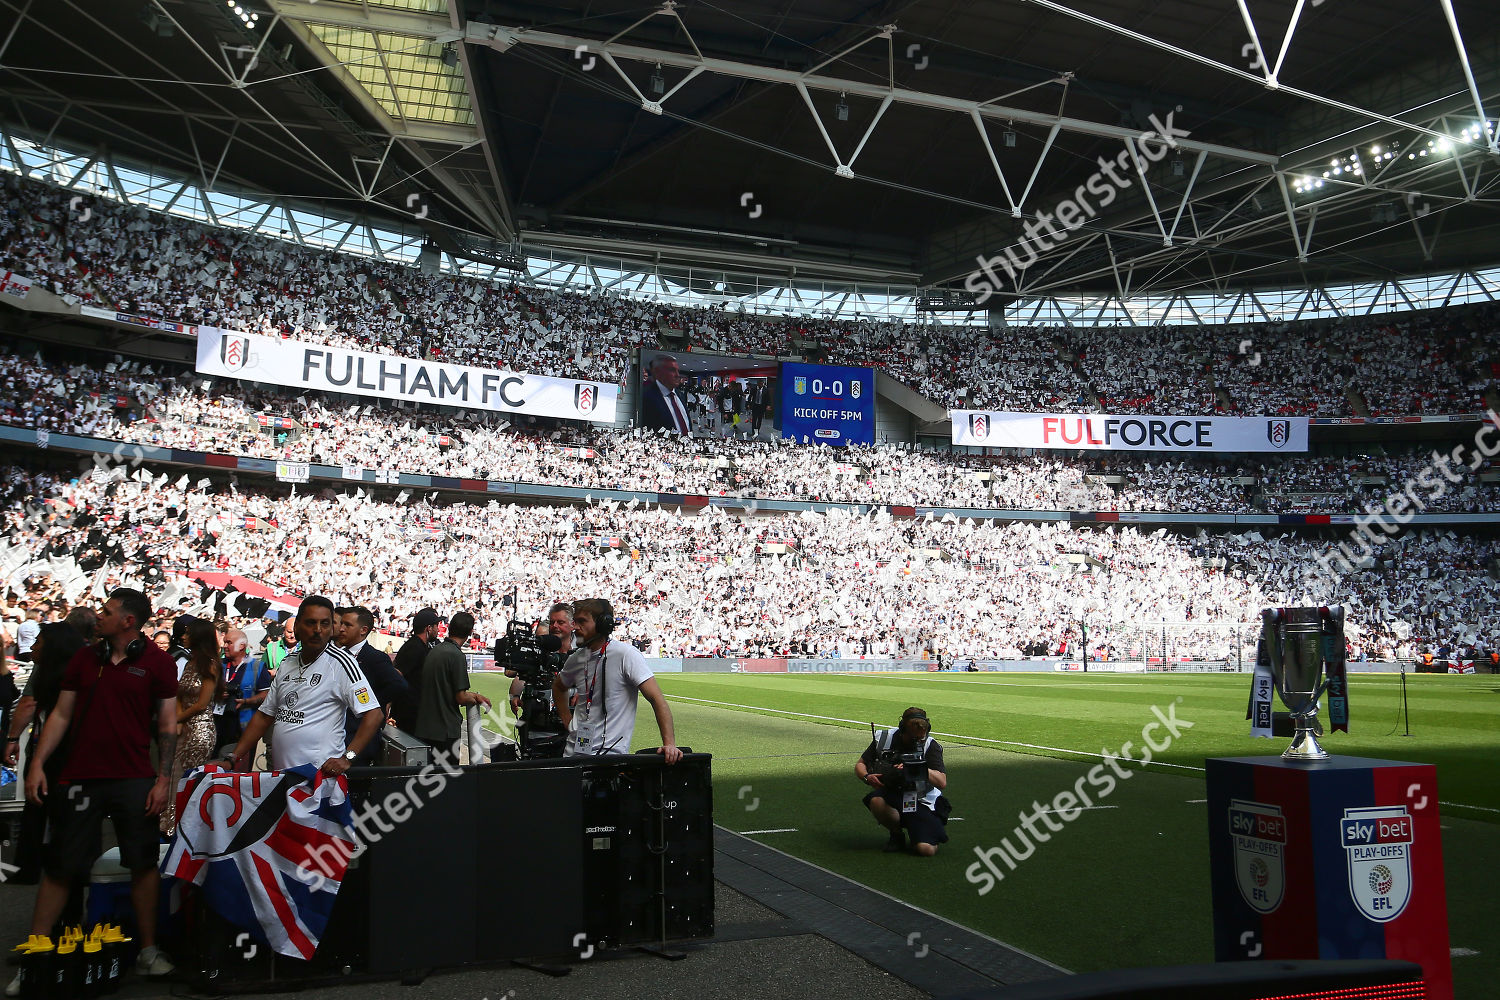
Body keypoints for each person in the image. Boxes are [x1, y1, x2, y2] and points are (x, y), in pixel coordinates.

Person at [18, 589, 178, 984]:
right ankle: (34, 956)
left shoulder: (158, 663)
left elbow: (168, 726)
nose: (98, 617)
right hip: (79, 776)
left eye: (107, 612)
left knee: (142, 865)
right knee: (60, 868)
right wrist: (37, 763)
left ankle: (147, 950)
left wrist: (163, 781)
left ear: (128, 621)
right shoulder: (85, 659)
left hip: (134, 777)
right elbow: (60, 715)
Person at [227, 596, 382, 775]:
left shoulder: (342, 663)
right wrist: (233, 757)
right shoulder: (287, 663)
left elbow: (374, 714)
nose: (317, 630)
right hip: (283, 779)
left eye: (324, 624)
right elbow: (264, 716)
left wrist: (348, 757)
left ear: (332, 629)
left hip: (319, 782)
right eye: (310, 623)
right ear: (298, 627)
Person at [4, 623, 88, 886]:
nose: (32, 646)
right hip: (76, 754)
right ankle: (68, 867)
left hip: (51, 753)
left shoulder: (49, 673)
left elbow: (28, 704)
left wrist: (12, 738)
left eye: (38, 640)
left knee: (37, 807)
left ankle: (31, 867)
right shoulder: (85, 670)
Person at [552, 599, 681, 761]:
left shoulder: (626, 655)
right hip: (572, 755)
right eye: (575, 621)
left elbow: (657, 699)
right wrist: (568, 722)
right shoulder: (576, 658)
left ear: (603, 624)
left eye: (582, 621)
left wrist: (669, 743)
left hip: (609, 759)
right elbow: (558, 687)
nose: (575, 627)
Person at [855, 707, 949, 856]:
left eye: (921, 737)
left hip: (922, 799)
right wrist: (867, 777)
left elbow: (941, 782)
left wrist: (917, 766)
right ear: (902, 728)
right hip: (893, 793)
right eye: (914, 738)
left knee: (926, 850)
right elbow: (860, 764)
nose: (918, 741)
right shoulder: (884, 738)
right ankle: (896, 834)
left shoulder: (931, 745)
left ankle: (919, 833)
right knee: (876, 801)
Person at [161, 618, 221, 836]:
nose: (183, 637)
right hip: (184, 727)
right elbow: (178, 694)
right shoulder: (188, 663)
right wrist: (177, 720)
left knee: (186, 779)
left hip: (200, 730)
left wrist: (176, 719)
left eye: (187, 633)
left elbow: (201, 704)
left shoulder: (210, 665)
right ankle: (169, 825)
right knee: (173, 775)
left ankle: (182, 828)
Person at [334, 605, 409, 765]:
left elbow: (399, 686)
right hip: (337, 737)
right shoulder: (338, 655)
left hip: (359, 739)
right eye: (341, 624)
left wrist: (368, 703)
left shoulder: (374, 657)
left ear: (363, 630)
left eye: (348, 625)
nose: (341, 629)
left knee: (356, 784)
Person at [412, 612, 490, 762]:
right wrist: (476, 698)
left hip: (425, 728)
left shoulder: (435, 650)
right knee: (448, 780)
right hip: (444, 731)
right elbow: (461, 697)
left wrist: (473, 695)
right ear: (470, 632)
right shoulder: (455, 655)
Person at [215, 627, 271, 756]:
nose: (224, 646)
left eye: (229, 642)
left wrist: (247, 701)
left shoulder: (257, 666)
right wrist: (216, 693)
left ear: (241, 646)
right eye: (224, 642)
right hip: (218, 725)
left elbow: (266, 694)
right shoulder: (218, 665)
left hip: (244, 729)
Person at [391, 607, 441, 734]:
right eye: (436, 625)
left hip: (413, 710)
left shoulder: (418, 646)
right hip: (407, 712)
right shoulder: (414, 647)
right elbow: (396, 675)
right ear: (428, 628)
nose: (438, 629)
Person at [640, 355, 693, 434]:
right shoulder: (646, 396)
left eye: (677, 371)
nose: (677, 375)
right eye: (672, 370)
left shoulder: (680, 394)